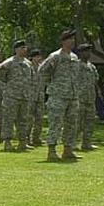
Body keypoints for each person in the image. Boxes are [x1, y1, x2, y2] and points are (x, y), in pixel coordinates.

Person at [39, 30, 81, 162]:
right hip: (58, 96)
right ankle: (51, 151)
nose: (72, 42)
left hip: (72, 96)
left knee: (71, 124)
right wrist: (51, 84)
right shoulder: (55, 56)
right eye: (69, 39)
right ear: (63, 41)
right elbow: (42, 71)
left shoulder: (74, 57)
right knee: (56, 123)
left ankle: (68, 150)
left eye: (73, 39)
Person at [0, 40, 33, 152]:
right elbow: (0, 75)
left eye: (25, 48)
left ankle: (22, 142)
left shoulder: (28, 63)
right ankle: (7, 142)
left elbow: (31, 77)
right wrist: (10, 86)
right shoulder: (9, 63)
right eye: (21, 48)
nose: (24, 50)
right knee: (9, 119)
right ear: (16, 49)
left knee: (23, 119)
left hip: (24, 95)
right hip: (11, 96)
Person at [76, 44, 99, 151]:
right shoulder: (76, 65)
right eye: (86, 51)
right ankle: (71, 144)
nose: (88, 54)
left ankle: (87, 143)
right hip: (79, 98)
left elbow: (95, 82)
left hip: (90, 98)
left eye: (89, 51)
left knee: (89, 121)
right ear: (80, 52)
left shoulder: (92, 67)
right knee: (77, 122)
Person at [27, 49, 46, 146]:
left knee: (39, 118)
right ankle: (26, 138)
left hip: (40, 96)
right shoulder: (28, 67)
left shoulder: (41, 68)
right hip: (30, 96)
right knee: (29, 118)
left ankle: (36, 137)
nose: (39, 58)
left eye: (39, 56)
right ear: (32, 57)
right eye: (37, 56)